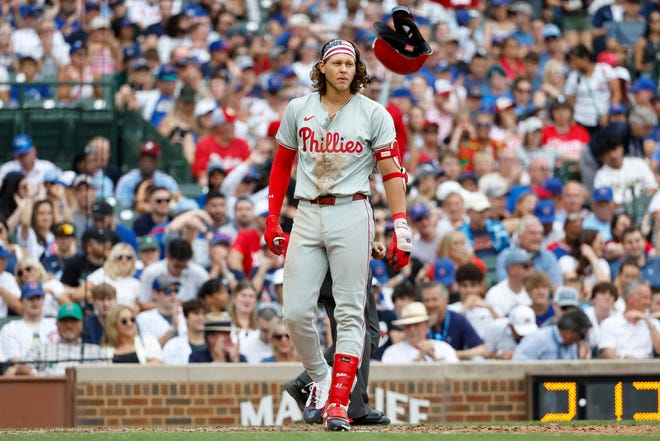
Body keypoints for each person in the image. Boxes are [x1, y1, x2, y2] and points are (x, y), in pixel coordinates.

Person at [263, 39, 411, 431]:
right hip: (308, 211)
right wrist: (271, 218)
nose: (344, 69)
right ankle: (321, 379)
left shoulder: (375, 113)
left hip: (352, 209)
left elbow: (393, 173)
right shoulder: (298, 109)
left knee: (351, 314)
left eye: (350, 63)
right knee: (294, 312)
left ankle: (339, 404)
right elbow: (281, 166)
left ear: (357, 69)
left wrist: (400, 225)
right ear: (322, 68)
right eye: (337, 63)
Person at [6, 303, 112, 376]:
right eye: (64, 321)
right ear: (57, 324)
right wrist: (35, 375)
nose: (69, 325)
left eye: (73, 321)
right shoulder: (41, 349)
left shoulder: (95, 351)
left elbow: (109, 372)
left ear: (81, 325)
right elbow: (23, 368)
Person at [422, 281, 489, 360]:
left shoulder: (457, 319)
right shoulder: (419, 320)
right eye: (426, 300)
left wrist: (454, 354)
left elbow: (483, 350)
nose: (430, 305)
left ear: (446, 300)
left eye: (434, 300)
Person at [138, 238, 209, 308]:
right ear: (168, 256)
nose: (180, 270)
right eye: (176, 266)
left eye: (184, 267)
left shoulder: (198, 272)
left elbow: (210, 297)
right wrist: (171, 305)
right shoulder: (151, 272)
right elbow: (143, 304)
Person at [598, 279, 660, 359]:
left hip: (648, 369)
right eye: (645, 298)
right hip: (619, 369)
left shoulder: (653, 323)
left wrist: (648, 322)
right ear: (630, 298)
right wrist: (625, 361)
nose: (648, 303)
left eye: (649, 299)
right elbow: (607, 353)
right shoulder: (610, 323)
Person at [381, 302, 458, 364]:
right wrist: (418, 359)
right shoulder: (392, 352)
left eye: (417, 324)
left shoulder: (444, 348)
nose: (412, 329)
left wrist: (434, 357)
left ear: (427, 326)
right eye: (408, 325)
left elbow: (454, 375)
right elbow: (391, 380)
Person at [0, 282, 58, 364]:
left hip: (56, 373)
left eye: (38, 297)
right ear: (21, 301)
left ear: (43, 299)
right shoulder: (11, 328)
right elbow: (16, 362)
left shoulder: (55, 325)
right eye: (30, 298)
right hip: (25, 375)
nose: (34, 302)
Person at [512, 308, 592, 360]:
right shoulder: (538, 338)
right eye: (582, 336)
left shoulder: (571, 344)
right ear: (570, 332)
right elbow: (518, 363)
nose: (581, 340)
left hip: (565, 385)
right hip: (540, 385)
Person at [136, 275, 187, 347]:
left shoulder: (187, 314)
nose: (173, 295)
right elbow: (150, 350)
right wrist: (173, 329)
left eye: (176, 290)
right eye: (168, 291)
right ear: (155, 293)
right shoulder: (144, 318)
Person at [87, 243, 140, 311]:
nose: (124, 261)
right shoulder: (102, 274)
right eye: (120, 257)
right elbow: (83, 292)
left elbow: (138, 306)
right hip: (103, 318)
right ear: (113, 259)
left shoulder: (136, 283)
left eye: (128, 257)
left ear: (133, 261)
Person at [485, 248, 533, 316]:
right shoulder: (495, 294)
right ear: (511, 270)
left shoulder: (534, 291)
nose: (530, 269)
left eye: (531, 265)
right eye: (526, 266)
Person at [161, 298, 209, 364]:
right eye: (196, 313)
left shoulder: (216, 344)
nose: (200, 318)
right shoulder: (173, 345)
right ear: (186, 318)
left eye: (204, 314)